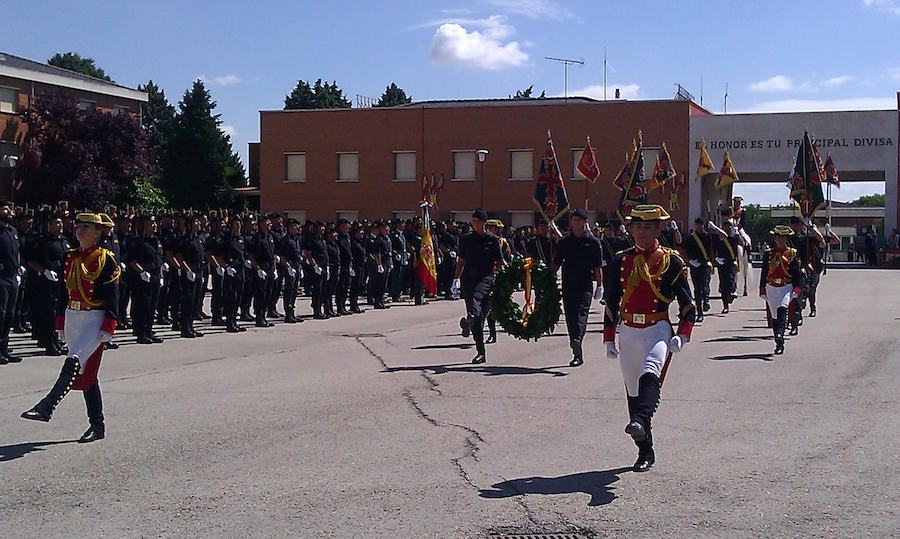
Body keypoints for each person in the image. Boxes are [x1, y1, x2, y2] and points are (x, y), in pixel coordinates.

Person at [603, 205, 695, 473]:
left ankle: (640, 422)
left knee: (650, 373)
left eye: (648, 227)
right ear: (630, 229)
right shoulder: (620, 261)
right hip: (629, 331)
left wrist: (683, 334)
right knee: (634, 392)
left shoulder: (671, 261)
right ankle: (645, 450)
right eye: (637, 226)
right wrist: (609, 337)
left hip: (657, 328)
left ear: (658, 229)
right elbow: (611, 302)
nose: (641, 232)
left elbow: (688, 304)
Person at [21, 212, 121, 443]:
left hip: (94, 318)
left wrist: (109, 325)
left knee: (73, 361)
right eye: (79, 226)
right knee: (87, 375)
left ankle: (46, 407)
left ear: (97, 233)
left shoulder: (105, 258)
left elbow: (112, 294)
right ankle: (97, 425)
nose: (80, 230)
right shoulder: (71, 256)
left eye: (86, 227)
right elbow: (64, 291)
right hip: (73, 317)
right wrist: (60, 321)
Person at [553, 208, 603, 367]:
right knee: (570, 316)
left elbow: (597, 266)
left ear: (584, 222)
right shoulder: (564, 242)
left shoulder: (593, 242)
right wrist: (546, 279)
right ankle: (576, 347)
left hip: (585, 284)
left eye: (579, 220)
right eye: (573, 220)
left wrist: (600, 285)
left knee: (581, 313)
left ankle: (577, 341)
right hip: (568, 284)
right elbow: (556, 263)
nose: (576, 223)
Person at [452, 208, 502, 364]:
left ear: (483, 222)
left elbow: (500, 262)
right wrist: (456, 279)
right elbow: (461, 260)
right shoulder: (466, 239)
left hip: (486, 278)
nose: (472, 223)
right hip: (469, 279)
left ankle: (470, 319)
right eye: (472, 220)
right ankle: (480, 352)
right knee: (477, 318)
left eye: (475, 221)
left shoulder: (493, 240)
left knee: (477, 299)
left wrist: (508, 278)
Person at [759, 225, 802, 356]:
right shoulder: (768, 254)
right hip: (771, 287)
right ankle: (778, 342)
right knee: (774, 316)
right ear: (775, 239)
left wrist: (797, 287)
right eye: (778, 238)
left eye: (783, 238)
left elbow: (796, 273)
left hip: (786, 286)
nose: (781, 241)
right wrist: (762, 288)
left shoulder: (792, 253)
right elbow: (764, 272)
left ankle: (780, 335)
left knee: (782, 309)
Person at [127, 215, 163, 345]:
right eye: (151, 223)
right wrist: (142, 272)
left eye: (155, 223)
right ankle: (141, 332)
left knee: (152, 305)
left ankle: (149, 330)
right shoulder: (138, 241)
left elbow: (159, 260)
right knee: (143, 306)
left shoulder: (156, 240)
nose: (154, 225)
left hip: (155, 276)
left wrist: (161, 276)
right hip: (143, 278)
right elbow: (132, 260)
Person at [0, 203, 22, 364]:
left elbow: (17, 252)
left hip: (12, 277)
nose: (10, 212)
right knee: (0, 314)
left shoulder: (12, 231)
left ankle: (4, 348)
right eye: (6, 209)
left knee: (9, 314)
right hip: (1, 278)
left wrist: (18, 267)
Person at [683, 218, 713, 322]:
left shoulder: (707, 236)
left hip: (704, 264)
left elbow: (711, 250)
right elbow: (684, 251)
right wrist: (689, 261)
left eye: (700, 225)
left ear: (702, 226)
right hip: (694, 265)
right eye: (696, 225)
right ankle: (699, 313)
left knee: (705, 285)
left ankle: (706, 301)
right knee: (697, 289)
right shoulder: (690, 238)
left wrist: (712, 261)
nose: (698, 227)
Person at [709, 218, 741, 314]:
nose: (728, 228)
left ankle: (732, 292)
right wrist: (715, 259)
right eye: (726, 227)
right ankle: (725, 306)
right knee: (723, 284)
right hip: (721, 263)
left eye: (729, 227)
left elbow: (742, 243)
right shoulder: (717, 239)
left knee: (730, 279)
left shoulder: (733, 238)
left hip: (731, 263)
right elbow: (713, 250)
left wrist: (738, 233)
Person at [278, 218, 304, 323]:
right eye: (295, 225)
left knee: (294, 291)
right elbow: (282, 255)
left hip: (297, 266)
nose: (297, 227)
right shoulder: (285, 240)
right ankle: (288, 314)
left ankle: (292, 312)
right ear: (289, 227)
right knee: (289, 290)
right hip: (290, 266)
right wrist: (288, 267)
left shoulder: (296, 239)